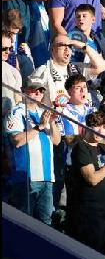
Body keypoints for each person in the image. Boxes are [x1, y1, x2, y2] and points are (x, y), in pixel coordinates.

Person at [5, 75, 61, 225]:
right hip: (26, 177)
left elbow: (56, 141)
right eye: (34, 90)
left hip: (47, 176)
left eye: (41, 91)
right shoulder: (17, 112)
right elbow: (17, 141)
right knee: (25, 222)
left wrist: (52, 122)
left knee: (46, 223)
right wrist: (40, 126)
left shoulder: (45, 112)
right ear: (24, 91)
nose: (38, 93)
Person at [65, 111, 105, 255]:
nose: (100, 131)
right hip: (89, 213)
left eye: (104, 127)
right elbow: (92, 179)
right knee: (90, 254)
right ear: (88, 127)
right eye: (96, 126)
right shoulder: (81, 147)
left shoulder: (104, 148)